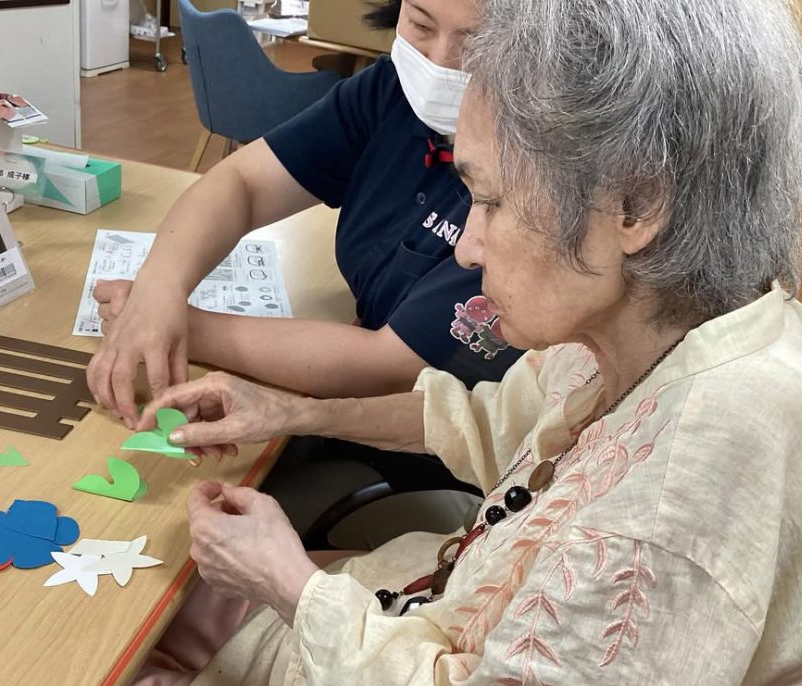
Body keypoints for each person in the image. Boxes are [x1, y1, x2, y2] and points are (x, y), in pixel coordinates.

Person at [90, 0, 802, 686]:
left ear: (635, 203)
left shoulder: (674, 502)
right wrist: (291, 413)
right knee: (155, 610)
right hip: (429, 603)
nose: (466, 246)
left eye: (490, 200)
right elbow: (486, 418)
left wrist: (288, 585)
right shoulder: (655, 322)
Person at [85, 0, 521, 432]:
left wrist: (183, 327)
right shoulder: (390, 93)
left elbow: (392, 367)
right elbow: (244, 181)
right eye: (421, 26)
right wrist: (158, 289)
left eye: (476, 44)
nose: (440, 63)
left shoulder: (533, 176)